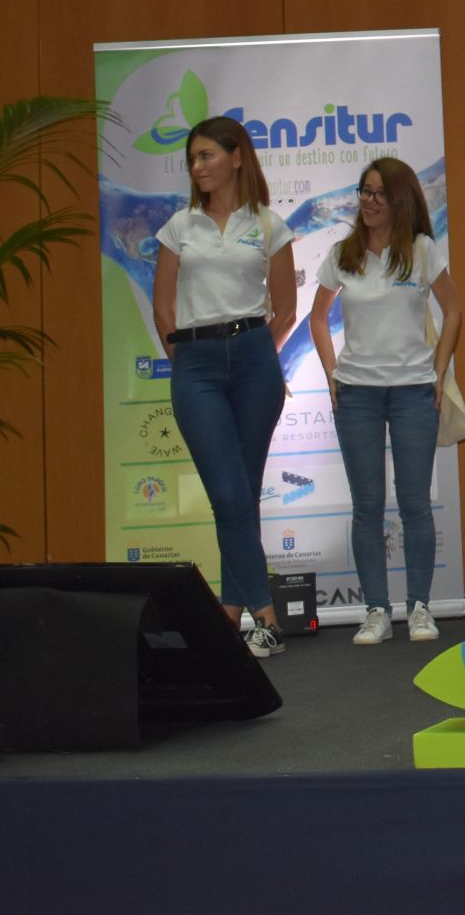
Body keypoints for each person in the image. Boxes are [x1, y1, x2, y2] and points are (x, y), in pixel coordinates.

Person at [152, 116, 298, 657]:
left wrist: (254, 351)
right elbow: (163, 306)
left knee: (242, 495)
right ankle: (267, 616)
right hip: (196, 365)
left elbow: (286, 308)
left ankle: (230, 613)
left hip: (255, 360)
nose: (198, 166)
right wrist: (189, 358)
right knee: (229, 494)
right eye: (193, 159)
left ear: (237, 157)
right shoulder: (179, 227)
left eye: (207, 155)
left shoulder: (268, 224)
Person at [309, 157, 462, 647]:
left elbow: (454, 310)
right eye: (364, 191)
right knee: (367, 506)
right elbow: (317, 318)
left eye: (379, 193)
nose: (368, 201)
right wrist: (331, 372)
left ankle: (419, 607)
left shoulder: (421, 250)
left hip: (413, 391)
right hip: (356, 394)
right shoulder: (343, 253)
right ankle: (375, 609)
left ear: (400, 200)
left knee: (415, 503)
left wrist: (439, 370)